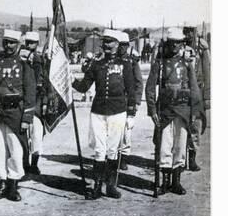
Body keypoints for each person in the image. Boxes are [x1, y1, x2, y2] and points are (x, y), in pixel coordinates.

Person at [72, 29, 136, 200]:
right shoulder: (96, 64)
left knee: (113, 149)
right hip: (98, 111)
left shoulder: (125, 64)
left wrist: (131, 113)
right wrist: (70, 80)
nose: (107, 45)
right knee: (99, 150)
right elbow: (84, 86)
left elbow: (131, 90)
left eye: (110, 42)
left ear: (117, 44)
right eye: (105, 42)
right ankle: (97, 186)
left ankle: (111, 186)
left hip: (118, 111)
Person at [145, 27, 203, 195]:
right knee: (165, 146)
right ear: (168, 44)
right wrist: (152, 109)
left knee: (180, 146)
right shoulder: (160, 63)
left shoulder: (187, 64)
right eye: (172, 43)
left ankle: (176, 182)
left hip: (183, 110)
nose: (175, 47)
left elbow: (194, 88)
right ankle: (164, 182)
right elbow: (150, 88)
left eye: (179, 43)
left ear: (183, 45)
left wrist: (194, 111)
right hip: (165, 111)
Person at [0, 29, 36, 201]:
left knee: (15, 149)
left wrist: (27, 118)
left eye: (12, 42)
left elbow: (30, 91)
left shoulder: (23, 63)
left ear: (18, 44)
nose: (8, 45)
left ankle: (13, 185)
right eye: (6, 42)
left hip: (15, 112)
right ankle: (2, 183)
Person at [183, 27, 211, 171]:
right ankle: (181, 160)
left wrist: (207, 97)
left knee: (196, 126)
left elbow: (207, 72)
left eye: (190, 31)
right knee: (181, 126)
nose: (188, 34)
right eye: (185, 31)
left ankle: (192, 159)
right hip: (182, 92)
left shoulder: (202, 48)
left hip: (198, 93)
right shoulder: (179, 47)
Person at [20, 31, 47, 175]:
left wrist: (45, 102)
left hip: (37, 100)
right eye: (28, 42)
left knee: (37, 135)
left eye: (33, 43)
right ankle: (24, 163)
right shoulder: (19, 58)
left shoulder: (40, 60)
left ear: (37, 44)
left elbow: (45, 82)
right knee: (23, 135)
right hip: (23, 100)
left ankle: (34, 163)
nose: (30, 45)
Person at [117, 31, 144, 170]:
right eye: (119, 45)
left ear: (128, 46)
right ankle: (114, 158)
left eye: (124, 45)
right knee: (114, 131)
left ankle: (124, 157)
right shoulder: (113, 60)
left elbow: (139, 83)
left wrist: (137, 101)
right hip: (115, 102)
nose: (121, 48)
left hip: (129, 102)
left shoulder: (132, 62)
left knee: (126, 132)